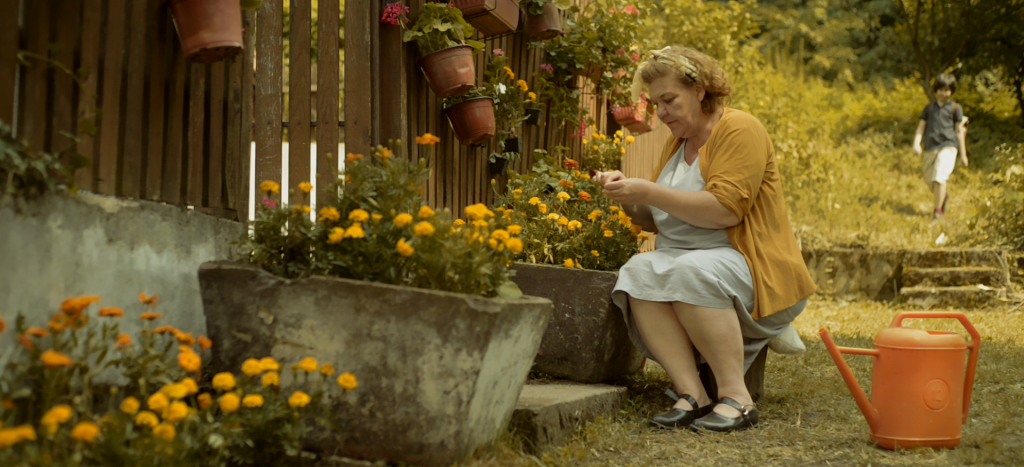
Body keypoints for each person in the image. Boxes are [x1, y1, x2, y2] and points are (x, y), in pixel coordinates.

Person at [593, 46, 816, 433]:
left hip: (753, 268)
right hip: (696, 263)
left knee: (690, 270)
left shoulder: (740, 129)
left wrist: (648, 190)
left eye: (669, 100)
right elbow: (655, 219)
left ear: (699, 91)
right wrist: (627, 196)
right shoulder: (677, 143)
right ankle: (692, 392)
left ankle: (737, 398)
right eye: (656, 104)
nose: (662, 113)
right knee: (638, 272)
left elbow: (725, 211)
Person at [912, 73, 969, 221]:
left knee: (939, 177)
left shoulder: (956, 108)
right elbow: (921, 128)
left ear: (951, 91)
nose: (944, 93)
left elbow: (959, 132)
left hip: (948, 147)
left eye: (947, 90)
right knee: (929, 179)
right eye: (941, 90)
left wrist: (963, 155)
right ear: (936, 90)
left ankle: (937, 213)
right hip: (930, 148)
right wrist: (916, 143)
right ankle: (943, 196)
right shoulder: (929, 108)